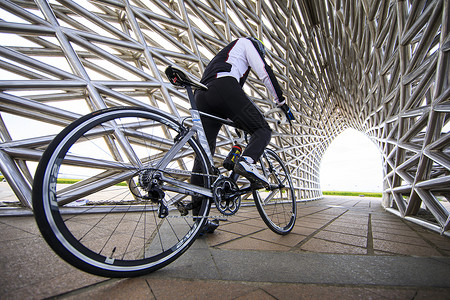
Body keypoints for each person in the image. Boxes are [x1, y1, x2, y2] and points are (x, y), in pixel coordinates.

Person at [191, 37, 294, 234]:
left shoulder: (223, 56)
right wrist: (281, 102)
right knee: (262, 130)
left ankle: (199, 219)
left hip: (202, 96)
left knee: (204, 156)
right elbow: (265, 72)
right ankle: (247, 161)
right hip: (223, 86)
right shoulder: (247, 43)